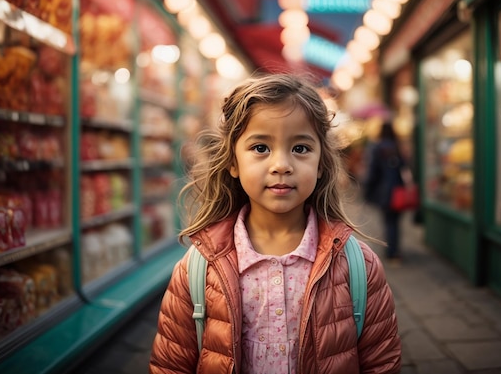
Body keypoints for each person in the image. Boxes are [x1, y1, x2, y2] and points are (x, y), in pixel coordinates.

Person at [149, 74, 401, 373]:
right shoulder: (200, 268)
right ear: (233, 161)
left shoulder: (358, 266)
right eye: (260, 148)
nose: (281, 164)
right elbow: (171, 365)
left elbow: (382, 363)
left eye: (300, 149)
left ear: (321, 164)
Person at [363, 121, 410, 264]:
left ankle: (391, 251)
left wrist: (367, 188)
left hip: (383, 191)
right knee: (395, 222)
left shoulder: (377, 148)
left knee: (388, 221)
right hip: (398, 190)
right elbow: (404, 166)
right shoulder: (397, 147)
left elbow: (372, 171)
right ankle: (395, 250)